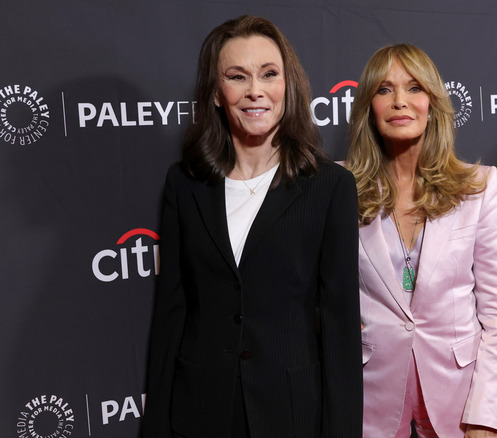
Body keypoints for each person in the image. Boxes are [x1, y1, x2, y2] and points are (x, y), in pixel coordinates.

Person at [142, 15, 362, 438]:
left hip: (292, 412)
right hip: (200, 409)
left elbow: (339, 328)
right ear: (216, 94)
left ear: (287, 86)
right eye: (237, 76)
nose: (255, 91)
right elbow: (171, 312)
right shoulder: (184, 183)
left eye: (268, 74)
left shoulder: (329, 186)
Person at [345, 43, 497, 438]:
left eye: (414, 88)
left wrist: (486, 417)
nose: (400, 101)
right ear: (368, 106)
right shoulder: (338, 188)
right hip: (369, 399)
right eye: (384, 90)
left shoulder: (479, 186)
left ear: (433, 102)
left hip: (458, 399)